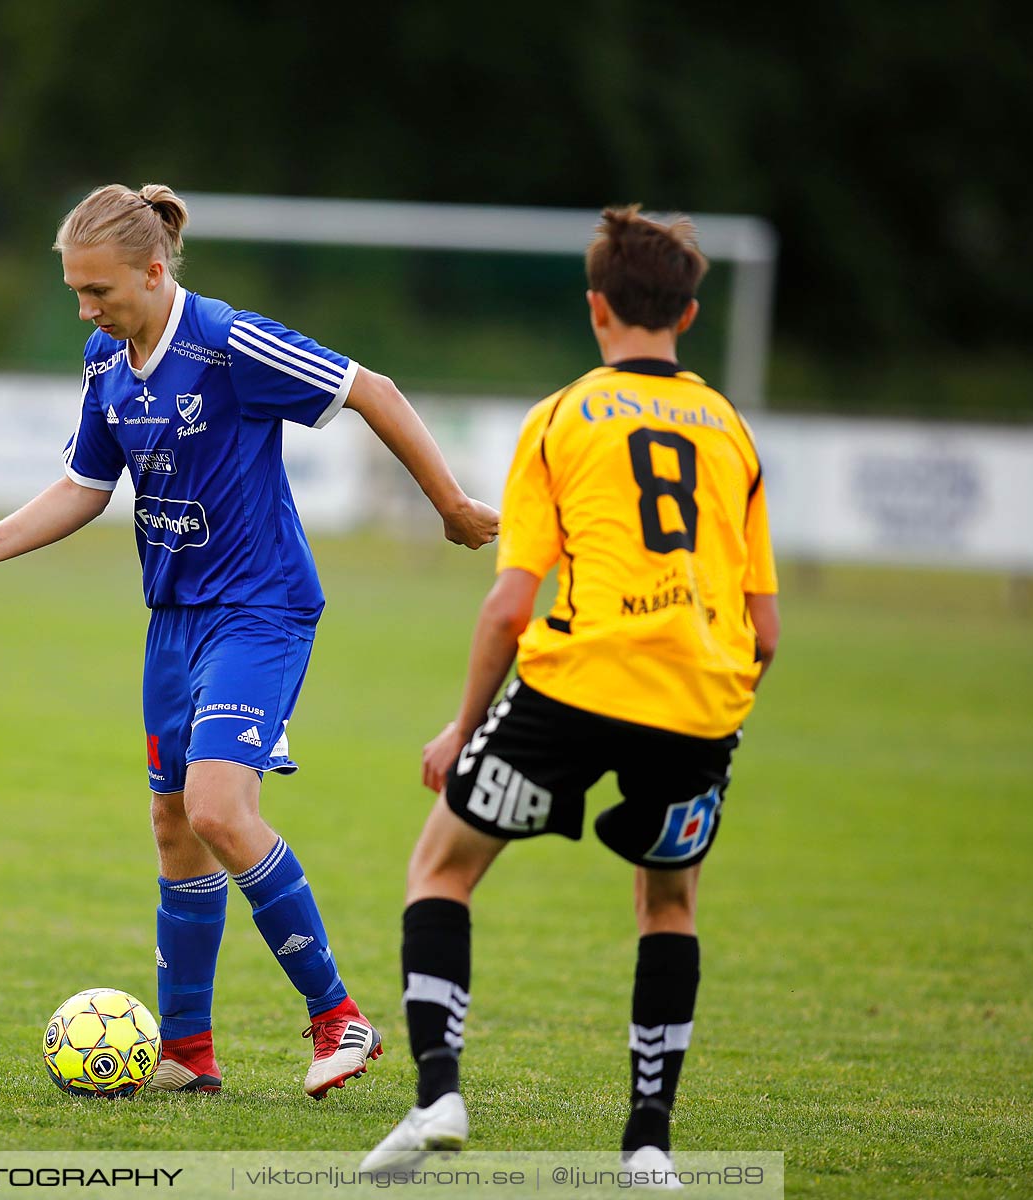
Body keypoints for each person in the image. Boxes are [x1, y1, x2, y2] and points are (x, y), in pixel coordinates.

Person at [0, 183, 499, 1098]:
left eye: (100, 290)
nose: (87, 309)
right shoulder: (105, 359)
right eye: (77, 291)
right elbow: (85, 484)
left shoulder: (230, 341)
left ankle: (339, 1020)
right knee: (174, 827)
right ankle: (189, 1056)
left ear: (155, 272)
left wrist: (454, 505)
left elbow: (370, 390)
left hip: (261, 608)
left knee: (220, 811)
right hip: (175, 621)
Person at [364, 206, 780, 1175]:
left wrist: (464, 729)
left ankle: (437, 1098)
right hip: (697, 701)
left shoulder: (559, 420)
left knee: (442, 869)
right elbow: (764, 631)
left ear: (598, 308)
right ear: (690, 311)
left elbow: (511, 608)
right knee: (668, 907)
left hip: (577, 682)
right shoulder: (732, 434)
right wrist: (712, 719)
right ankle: (647, 1147)